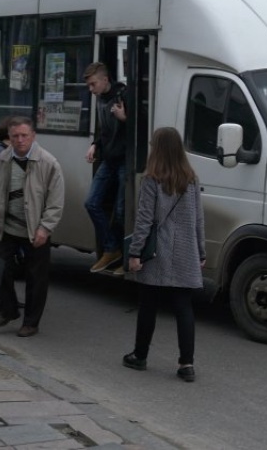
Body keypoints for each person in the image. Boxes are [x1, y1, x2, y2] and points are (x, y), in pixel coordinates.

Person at [123, 127, 205, 383]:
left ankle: (140, 355)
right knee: (183, 307)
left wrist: (135, 252)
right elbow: (198, 220)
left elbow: (145, 220)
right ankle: (186, 364)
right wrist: (201, 251)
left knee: (148, 305)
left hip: (157, 252)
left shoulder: (151, 180)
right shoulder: (191, 180)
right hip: (185, 251)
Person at [0, 116, 64, 338]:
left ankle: (31, 322)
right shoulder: (2, 160)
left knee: (36, 277)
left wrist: (45, 228)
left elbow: (56, 202)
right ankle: (8, 310)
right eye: (15, 136)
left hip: (35, 229)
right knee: (0, 269)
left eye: (24, 135)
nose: (19, 140)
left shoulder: (48, 163)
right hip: (5, 226)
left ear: (33, 136)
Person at [83, 62, 127, 273]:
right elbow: (102, 129)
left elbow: (140, 126)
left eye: (93, 85)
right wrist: (95, 144)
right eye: (89, 86)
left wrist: (124, 118)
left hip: (124, 159)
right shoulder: (100, 99)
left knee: (120, 211)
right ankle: (112, 249)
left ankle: (122, 254)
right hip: (108, 158)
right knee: (91, 203)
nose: (91, 90)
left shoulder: (123, 95)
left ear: (105, 80)